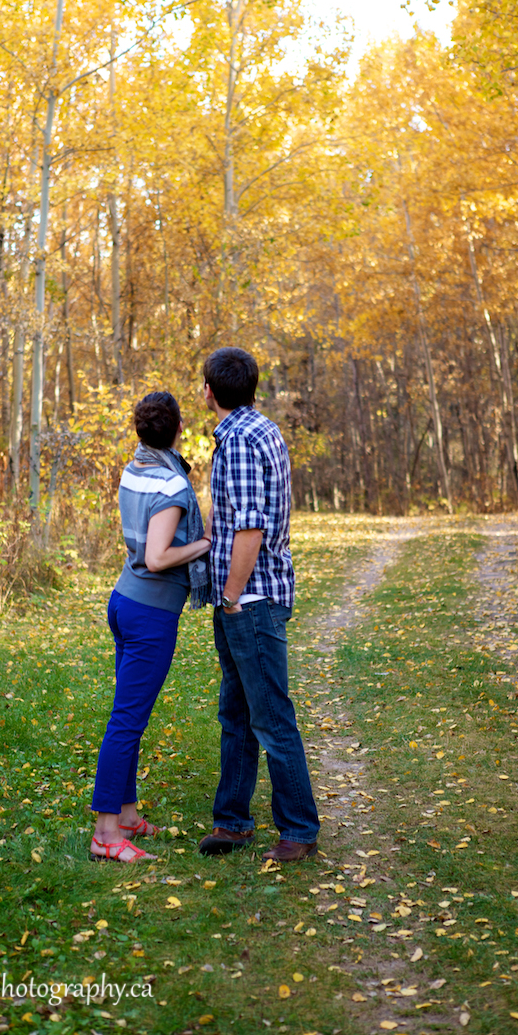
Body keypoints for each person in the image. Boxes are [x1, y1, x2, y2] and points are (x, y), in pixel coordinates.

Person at [198, 347, 320, 863]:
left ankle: (299, 830)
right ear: (251, 387)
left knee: (270, 716)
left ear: (209, 391)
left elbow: (251, 527)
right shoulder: (258, 429)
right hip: (244, 598)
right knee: (237, 712)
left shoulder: (242, 440)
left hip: (249, 600)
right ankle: (232, 821)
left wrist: (229, 597)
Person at [90, 391, 211, 863]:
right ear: (178, 428)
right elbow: (158, 557)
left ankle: (126, 815)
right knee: (126, 723)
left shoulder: (134, 468)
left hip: (124, 601)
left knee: (128, 718)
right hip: (150, 614)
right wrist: (203, 542)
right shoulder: (171, 485)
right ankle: (105, 835)